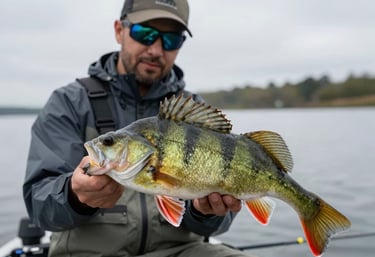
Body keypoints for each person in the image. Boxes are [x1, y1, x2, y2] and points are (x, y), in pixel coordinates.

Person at [23, 1, 256, 256]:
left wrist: (205, 213)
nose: (156, 49)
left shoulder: (191, 111)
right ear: (119, 31)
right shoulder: (69, 103)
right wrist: (74, 196)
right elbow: (39, 205)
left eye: (171, 40)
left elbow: (218, 221)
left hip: (181, 250)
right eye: (144, 33)